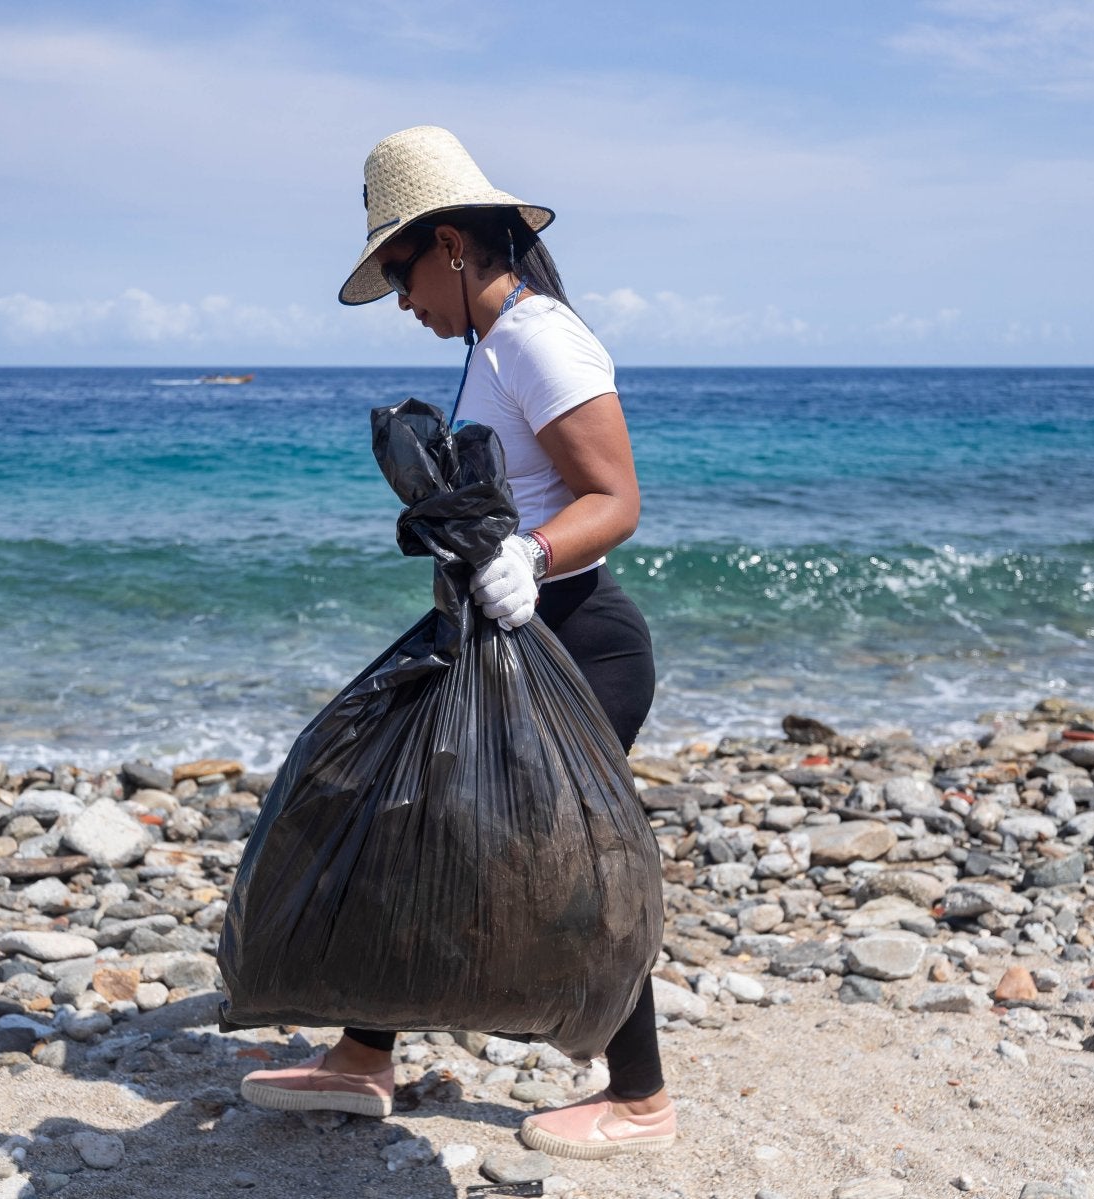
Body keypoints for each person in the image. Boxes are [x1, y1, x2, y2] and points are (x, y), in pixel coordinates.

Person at [239, 125, 673, 1160]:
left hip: (574, 640)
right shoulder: (491, 346)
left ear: (449, 244)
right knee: (405, 820)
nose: (401, 301)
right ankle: (362, 1050)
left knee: (577, 857)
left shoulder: (536, 337)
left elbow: (616, 498)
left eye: (399, 271)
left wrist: (529, 548)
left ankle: (645, 1097)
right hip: (499, 641)